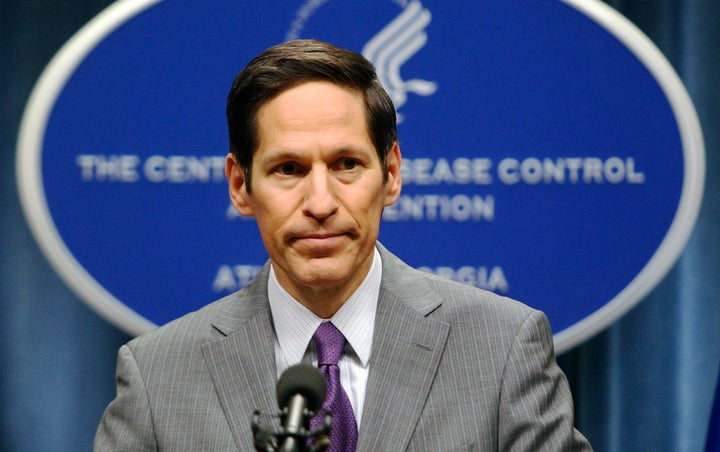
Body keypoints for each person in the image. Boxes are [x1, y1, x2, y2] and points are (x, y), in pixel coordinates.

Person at [94, 39, 591, 451]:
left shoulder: (502, 349)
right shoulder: (157, 377)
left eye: (346, 165)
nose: (320, 202)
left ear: (391, 174)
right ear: (240, 185)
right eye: (288, 169)